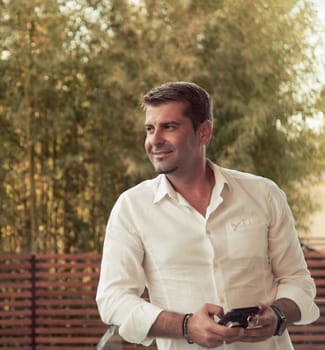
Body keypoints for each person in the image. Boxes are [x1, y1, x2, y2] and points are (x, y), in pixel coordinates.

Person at [95, 81, 320, 349]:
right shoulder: (131, 208)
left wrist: (279, 315)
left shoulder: (264, 194)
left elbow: (297, 281)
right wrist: (186, 325)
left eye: (169, 127)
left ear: (204, 132)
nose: (154, 140)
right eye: (149, 129)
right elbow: (113, 299)